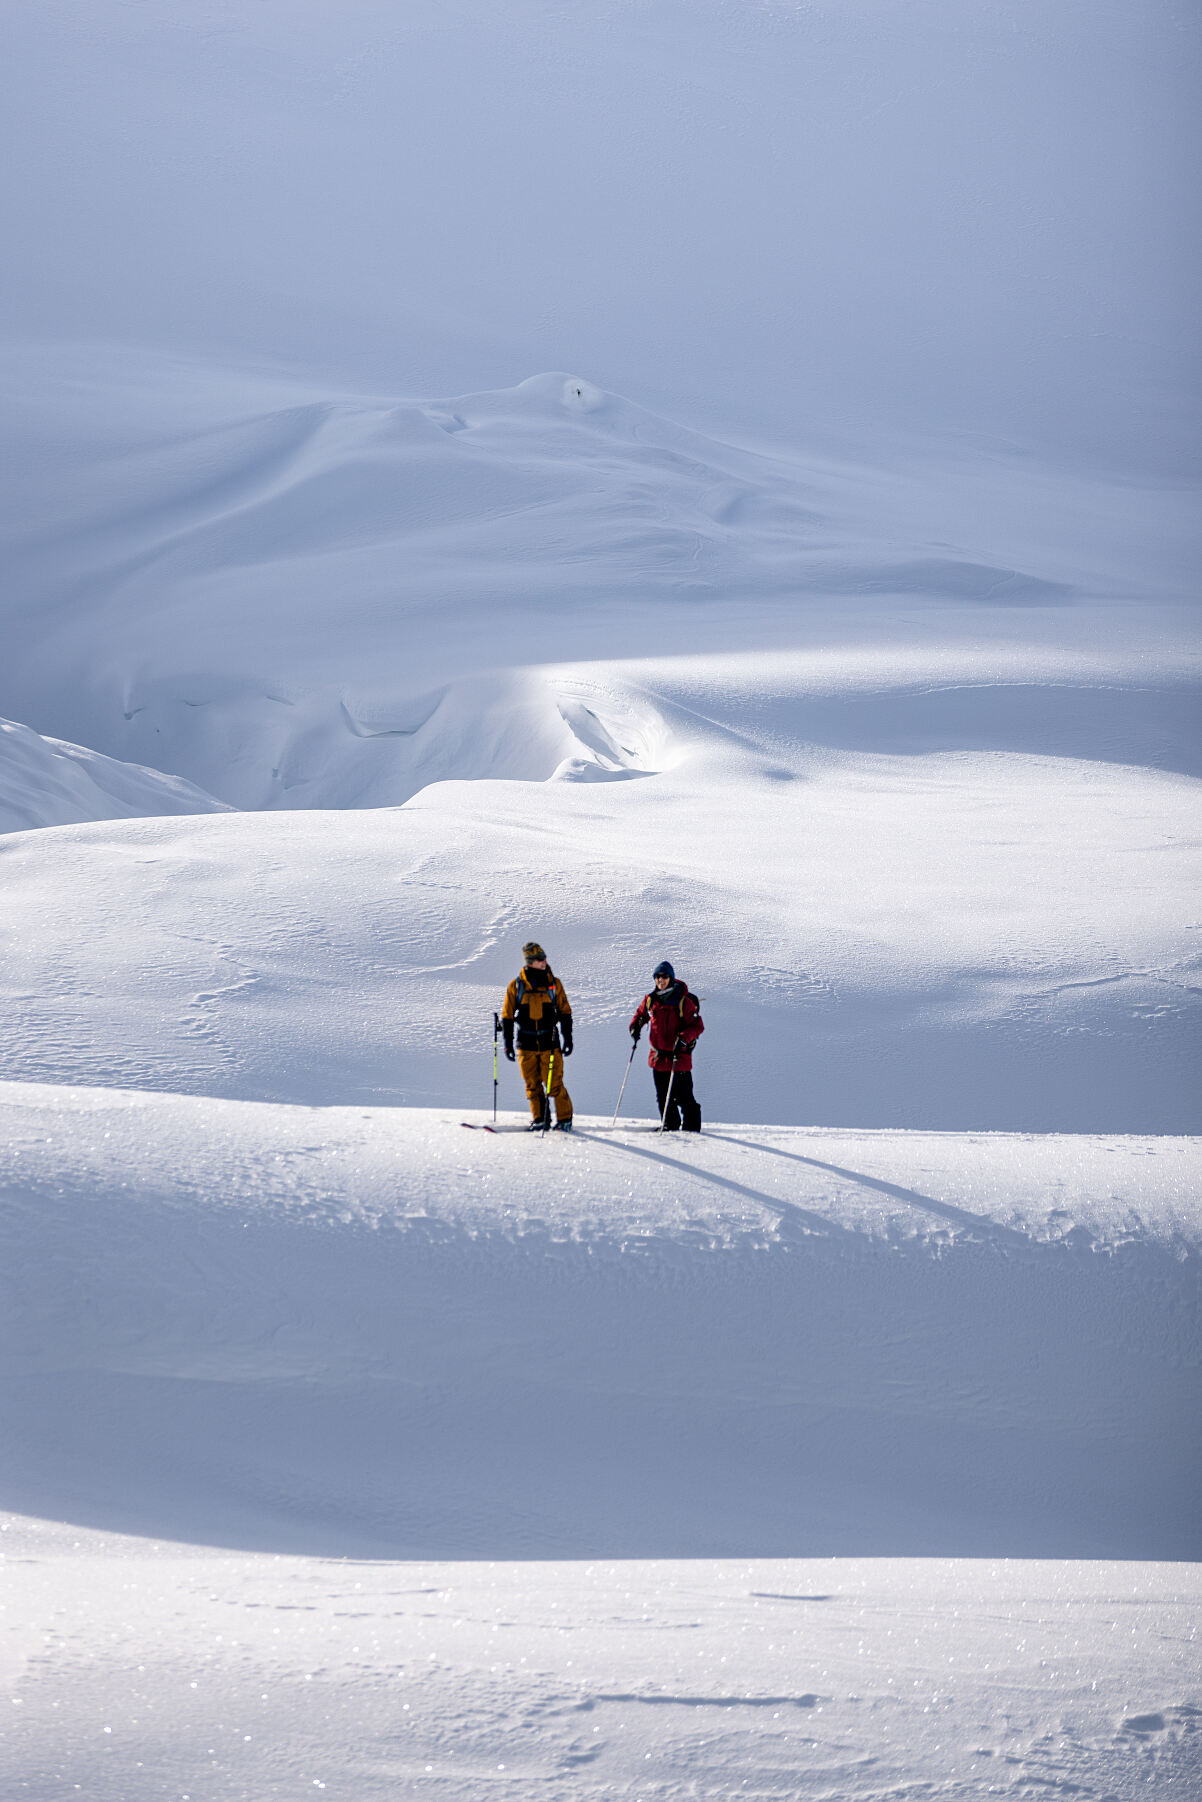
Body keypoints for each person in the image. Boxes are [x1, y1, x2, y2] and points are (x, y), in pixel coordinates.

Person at [501, 941, 574, 1131]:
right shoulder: (516, 986)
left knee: (554, 1085)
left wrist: (568, 1039)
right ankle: (540, 1119)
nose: (544, 961)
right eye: (539, 959)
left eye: (544, 958)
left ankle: (565, 1120)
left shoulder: (554, 984)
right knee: (532, 1085)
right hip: (525, 1045)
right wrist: (508, 1044)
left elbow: (565, 1012)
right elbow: (507, 1016)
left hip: (550, 1044)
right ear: (530, 962)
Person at [629, 961, 703, 1131]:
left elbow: (697, 1025)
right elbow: (640, 1014)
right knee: (663, 1096)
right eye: (657, 977)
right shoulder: (651, 999)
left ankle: (692, 1131)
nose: (660, 980)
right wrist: (635, 1027)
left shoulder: (683, 1001)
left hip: (679, 1057)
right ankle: (670, 1125)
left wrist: (684, 1038)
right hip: (659, 1057)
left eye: (664, 976)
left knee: (684, 1097)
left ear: (671, 977)